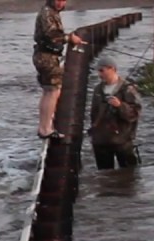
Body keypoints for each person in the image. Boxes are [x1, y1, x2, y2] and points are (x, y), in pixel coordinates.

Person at [33, 0, 87, 140]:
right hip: (47, 57)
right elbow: (51, 35)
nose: (60, 3)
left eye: (63, 0)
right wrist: (69, 38)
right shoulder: (47, 13)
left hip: (44, 56)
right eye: (58, 0)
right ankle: (45, 129)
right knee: (53, 90)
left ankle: (44, 127)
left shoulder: (50, 12)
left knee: (48, 90)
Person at [88, 56, 142, 169]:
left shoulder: (128, 89)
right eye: (98, 71)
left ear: (112, 69)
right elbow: (94, 113)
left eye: (102, 70)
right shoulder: (98, 89)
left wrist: (120, 106)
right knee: (105, 176)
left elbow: (135, 113)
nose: (99, 74)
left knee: (129, 175)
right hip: (101, 141)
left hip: (122, 141)